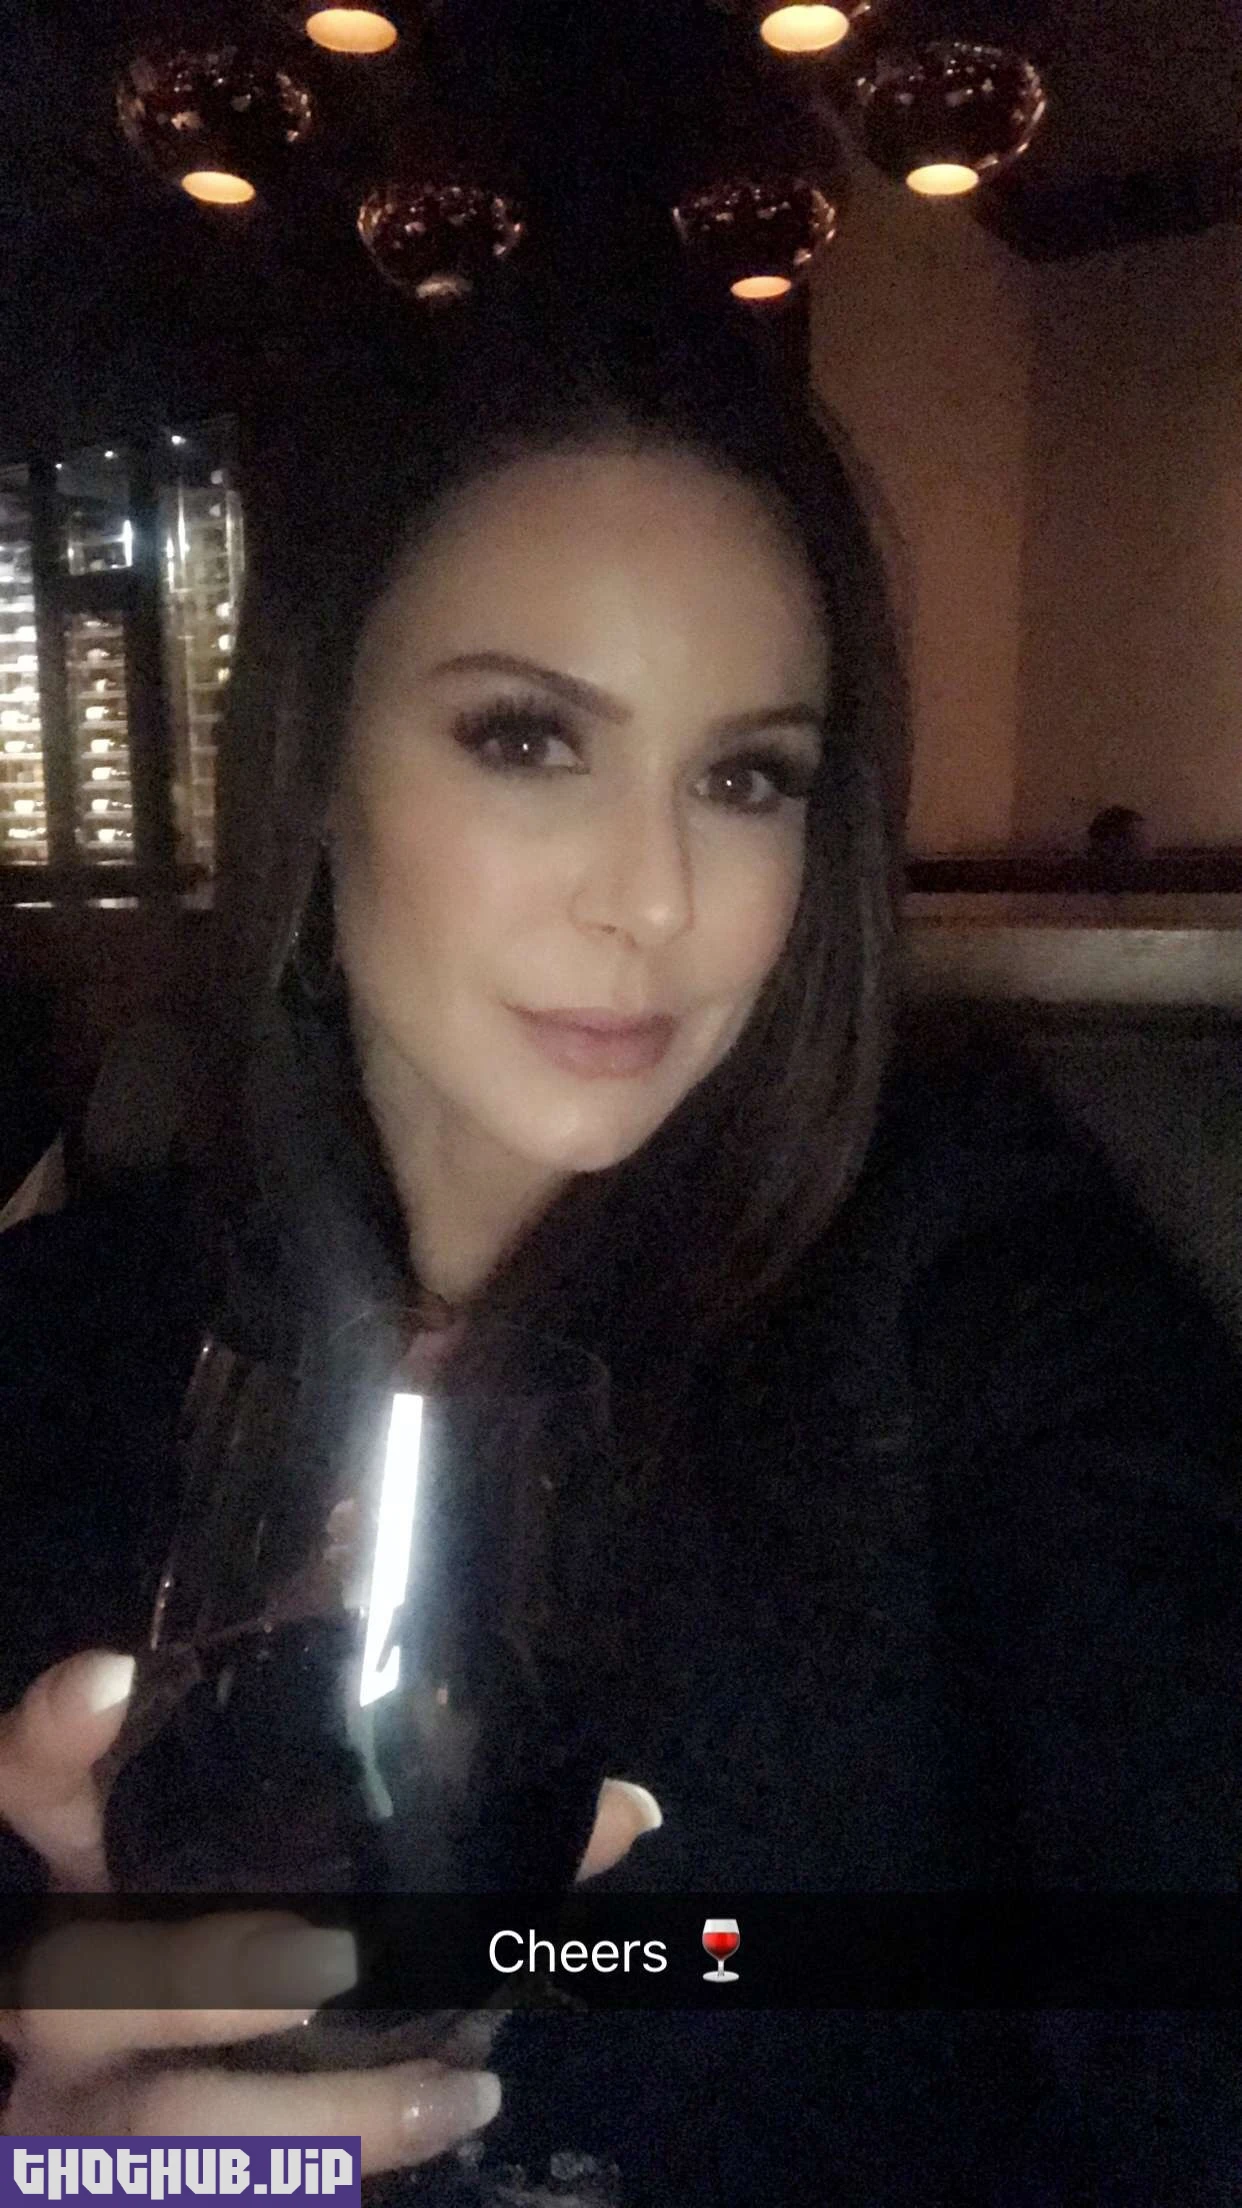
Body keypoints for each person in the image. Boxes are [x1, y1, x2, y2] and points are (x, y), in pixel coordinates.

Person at [1, 279, 1241, 2203]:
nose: (654, 898)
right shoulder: (58, 1344)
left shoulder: (971, 1292)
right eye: (525, 738)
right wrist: (66, 2169)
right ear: (315, 771)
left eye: (747, 778)